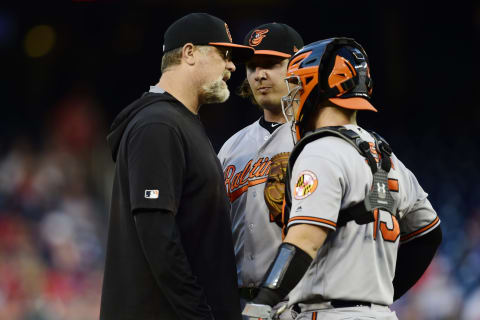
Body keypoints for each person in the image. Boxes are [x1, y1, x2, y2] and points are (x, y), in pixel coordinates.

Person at [243, 38, 442, 320]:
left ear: (314, 87)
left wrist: (262, 304)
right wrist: (381, 293)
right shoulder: (388, 157)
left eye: (298, 86)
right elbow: (429, 234)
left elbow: (304, 241)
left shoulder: (319, 151)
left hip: (330, 313)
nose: (294, 96)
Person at [100, 13, 254, 320]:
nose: (232, 65)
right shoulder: (158, 124)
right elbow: (157, 233)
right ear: (189, 53)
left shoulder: (180, 123)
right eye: (224, 54)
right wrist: (199, 314)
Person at [217, 23, 303, 317]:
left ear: (298, 67)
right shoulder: (231, 149)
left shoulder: (319, 139)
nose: (259, 74)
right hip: (242, 304)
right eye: (252, 66)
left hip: (304, 303)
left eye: (272, 64)